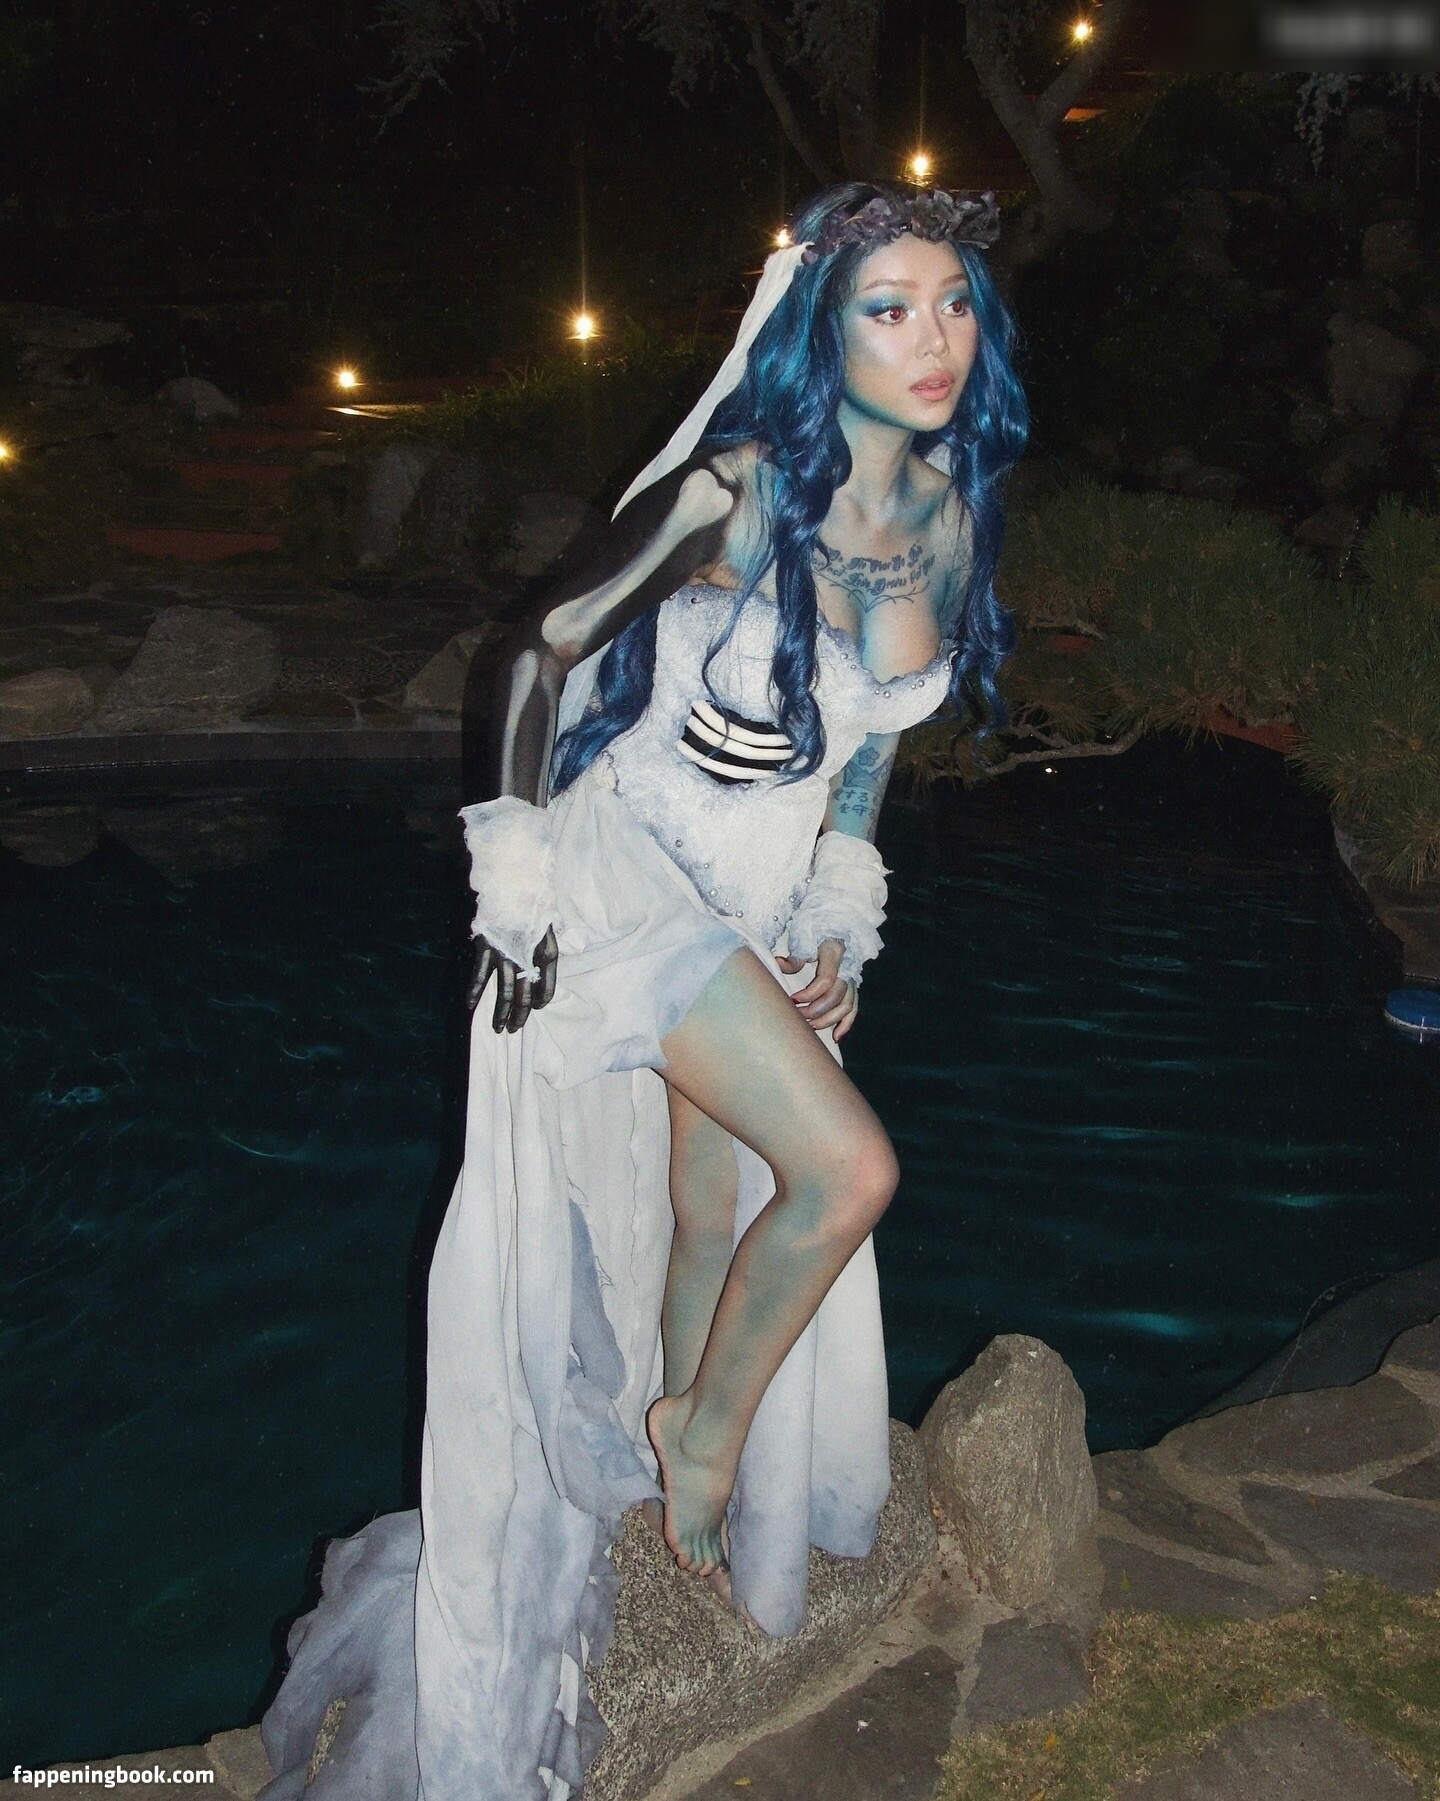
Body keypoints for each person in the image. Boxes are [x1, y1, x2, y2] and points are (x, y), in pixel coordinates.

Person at [258, 181, 1028, 1801]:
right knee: (847, 1171)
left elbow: (872, 734)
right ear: (822, 330)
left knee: (709, 1197)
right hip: (632, 873)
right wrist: (515, 874)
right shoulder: (735, 492)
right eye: (890, 307)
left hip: (758, 888)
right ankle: (699, 1432)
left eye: (954, 301)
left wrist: (841, 904)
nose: (935, 338)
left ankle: (662, 1467)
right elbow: (533, 654)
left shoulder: (949, 507)